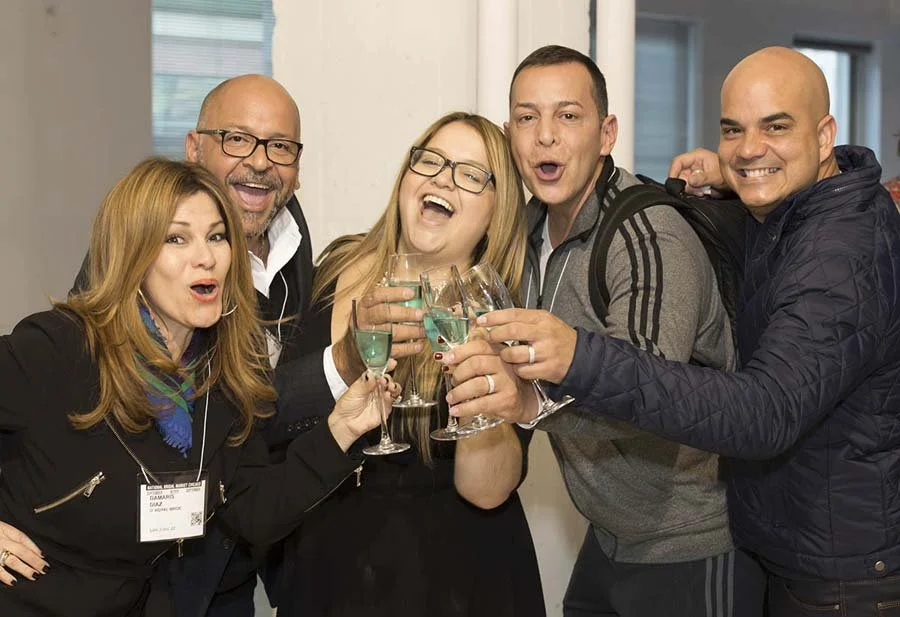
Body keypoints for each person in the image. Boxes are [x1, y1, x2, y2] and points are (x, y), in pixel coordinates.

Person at [462, 46, 900, 616]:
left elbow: (762, 414)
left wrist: (572, 365)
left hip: (833, 574)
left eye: (775, 126)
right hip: (768, 540)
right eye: (733, 131)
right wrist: (739, 174)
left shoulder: (842, 253)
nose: (546, 136)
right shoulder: (797, 212)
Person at [441, 45, 764, 617]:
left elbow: (647, 399)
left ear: (607, 132)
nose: (545, 136)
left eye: (568, 116)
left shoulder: (646, 237)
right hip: (611, 537)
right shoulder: (534, 232)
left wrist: (526, 405)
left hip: (689, 543)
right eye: (526, 117)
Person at [66, 74, 406, 615]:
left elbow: (244, 429)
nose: (261, 161)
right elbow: (64, 408)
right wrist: (334, 368)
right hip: (137, 577)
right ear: (193, 148)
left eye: (281, 146)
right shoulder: (134, 254)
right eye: (238, 139)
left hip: (232, 565)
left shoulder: (296, 244)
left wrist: (343, 421)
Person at [0, 157, 394, 616]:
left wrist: (340, 431)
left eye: (217, 236)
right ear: (132, 255)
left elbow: (252, 511)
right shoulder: (61, 347)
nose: (205, 257)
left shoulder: (219, 376)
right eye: (176, 238)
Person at [269, 111, 545, 617]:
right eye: (431, 160)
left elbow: (487, 493)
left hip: (453, 585)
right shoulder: (335, 266)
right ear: (406, 175)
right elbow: (277, 414)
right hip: (328, 576)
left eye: (469, 174)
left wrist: (478, 382)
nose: (442, 177)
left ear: (496, 213)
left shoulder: (501, 315)